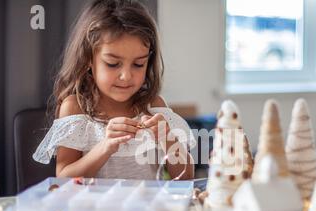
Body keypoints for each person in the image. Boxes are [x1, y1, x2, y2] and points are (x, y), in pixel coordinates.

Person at [33, 0, 195, 180]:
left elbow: (185, 177)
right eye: (112, 64)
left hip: (146, 207)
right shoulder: (75, 107)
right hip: (94, 207)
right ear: (88, 59)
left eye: (138, 64)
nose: (126, 76)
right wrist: (106, 146)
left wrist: (168, 138)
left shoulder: (153, 106)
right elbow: (63, 178)